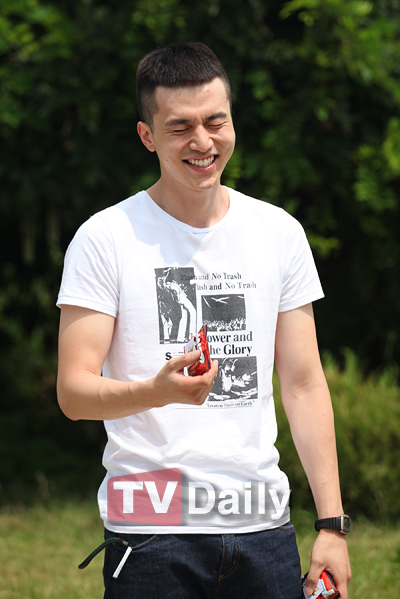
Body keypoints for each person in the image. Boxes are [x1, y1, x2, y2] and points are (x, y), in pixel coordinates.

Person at [57, 42, 351, 599]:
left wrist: (332, 525)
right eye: (180, 127)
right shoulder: (105, 238)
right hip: (151, 533)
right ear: (147, 136)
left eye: (216, 122)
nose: (203, 141)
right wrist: (156, 391)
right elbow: (73, 392)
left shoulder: (279, 233)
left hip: (263, 528)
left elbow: (304, 384)